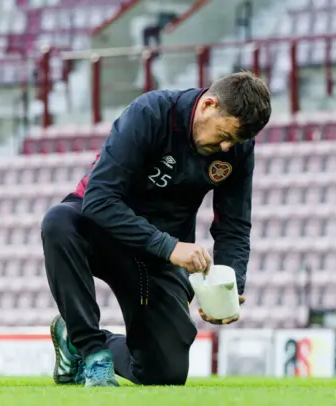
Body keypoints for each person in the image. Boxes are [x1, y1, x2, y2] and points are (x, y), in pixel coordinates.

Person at [41, 71, 272, 387]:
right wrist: (170, 247)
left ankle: (74, 340)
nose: (225, 146)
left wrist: (230, 283)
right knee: (58, 223)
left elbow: (233, 224)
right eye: (223, 134)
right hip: (102, 232)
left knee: (164, 374)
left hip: (157, 257)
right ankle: (93, 353)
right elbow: (99, 200)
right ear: (208, 104)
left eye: (235, 141)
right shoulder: (151, 113)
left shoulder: (238, 150)